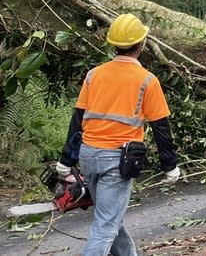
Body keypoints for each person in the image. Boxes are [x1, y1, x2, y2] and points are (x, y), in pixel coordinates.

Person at [55, 13, 180, 256]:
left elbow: (78, 120)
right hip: (118, 160)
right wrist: (170, 165)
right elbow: (161, 127)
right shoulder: (147, 80)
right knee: (106, 224)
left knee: (110, 217)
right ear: (141, 45)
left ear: (113, 45)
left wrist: (67, 159)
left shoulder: (94, 75)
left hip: (88, 157)